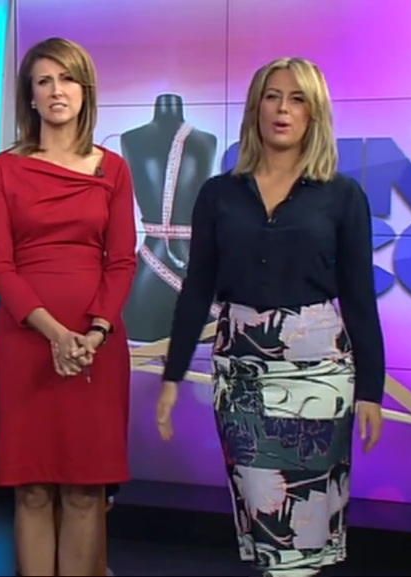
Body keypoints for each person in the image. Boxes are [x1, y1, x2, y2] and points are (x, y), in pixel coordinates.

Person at [155, 57, 385, 577]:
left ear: (314, 113)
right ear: (255, 108)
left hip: (319, 376)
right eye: (272, 96)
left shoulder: (342, 195)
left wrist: (371, 390)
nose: (283, 109)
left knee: (305, 525)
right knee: (266, 516)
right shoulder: (219, 193)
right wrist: (173, 374)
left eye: (297, 99)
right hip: (242, 375)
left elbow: (359, 298)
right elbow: (196, 289)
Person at [0, 37, 136, 576]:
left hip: (96, 347)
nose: (56, 90)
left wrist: (93, 334)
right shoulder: (3, 169)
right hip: (24, 343)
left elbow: (122, 261)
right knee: (31, 489)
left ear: (85, 90)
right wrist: (55, 334)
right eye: (44, 81)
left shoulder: (113, 169)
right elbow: (0, 267)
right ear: (29, 95)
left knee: (85, 490)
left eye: (67, 79)